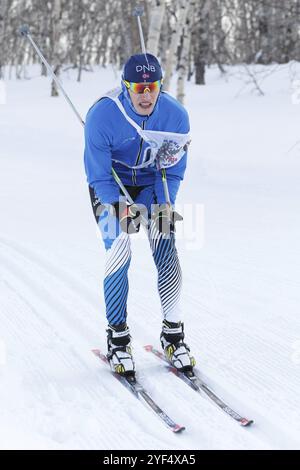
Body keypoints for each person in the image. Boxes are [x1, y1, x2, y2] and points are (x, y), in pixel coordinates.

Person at [84, 53, 195, 377]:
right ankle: (118, 338)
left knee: (166, 245)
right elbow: (99, 176)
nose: (146, 95)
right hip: (111, 186)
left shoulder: (176, 116)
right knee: (120, 246)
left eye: (152, 86)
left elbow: (174, 172)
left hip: (153, 184)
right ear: (125, 86)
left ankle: (173, 335)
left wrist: (162, 205)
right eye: (138, 87)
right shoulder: (103, 115)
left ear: (160, 85)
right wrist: (122, 209)